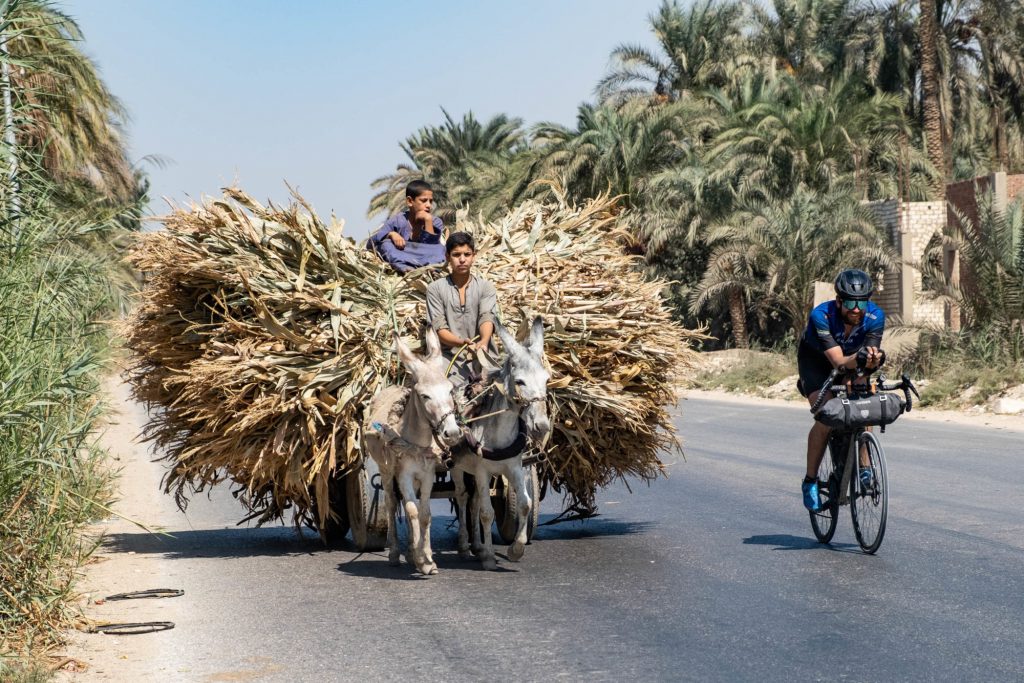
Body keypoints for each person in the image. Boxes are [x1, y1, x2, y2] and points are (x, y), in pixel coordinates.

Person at [797, 268, 885, 511]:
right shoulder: (821, 316)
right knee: (826, 416)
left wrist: (874, 360)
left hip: (852, 359)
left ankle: (865, 468)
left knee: (863, 405)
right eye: (849, 302)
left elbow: (867, 358)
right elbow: (837, 362)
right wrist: (860, 358)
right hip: (817, 362)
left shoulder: (875, 316)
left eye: (861, 303)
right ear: (838, 302)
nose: (856, 309)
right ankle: (810, 480)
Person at [424, 231, 497, 387]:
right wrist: (461, 342)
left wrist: (483, 342)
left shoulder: (486, 287)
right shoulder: (435, 289)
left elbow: (486, 317)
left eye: (467, 254)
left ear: (474, 256)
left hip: (482, 356)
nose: (462, 260)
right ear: (448, 257)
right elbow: (439, 328)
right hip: (448, 359)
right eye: (456, 255)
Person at [367, 180, 447, 274]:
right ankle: (405, 268)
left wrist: (427, 221)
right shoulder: (397, 220)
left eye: (430, 201)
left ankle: (432, 268)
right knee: (386, 244)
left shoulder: (435, 222)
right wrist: (391, 234)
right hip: (403, 255)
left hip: (426, 256)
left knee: (441, 249)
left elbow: (430, 246)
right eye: (424, 200)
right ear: (410, 201)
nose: (428, 205)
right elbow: (370, 243)